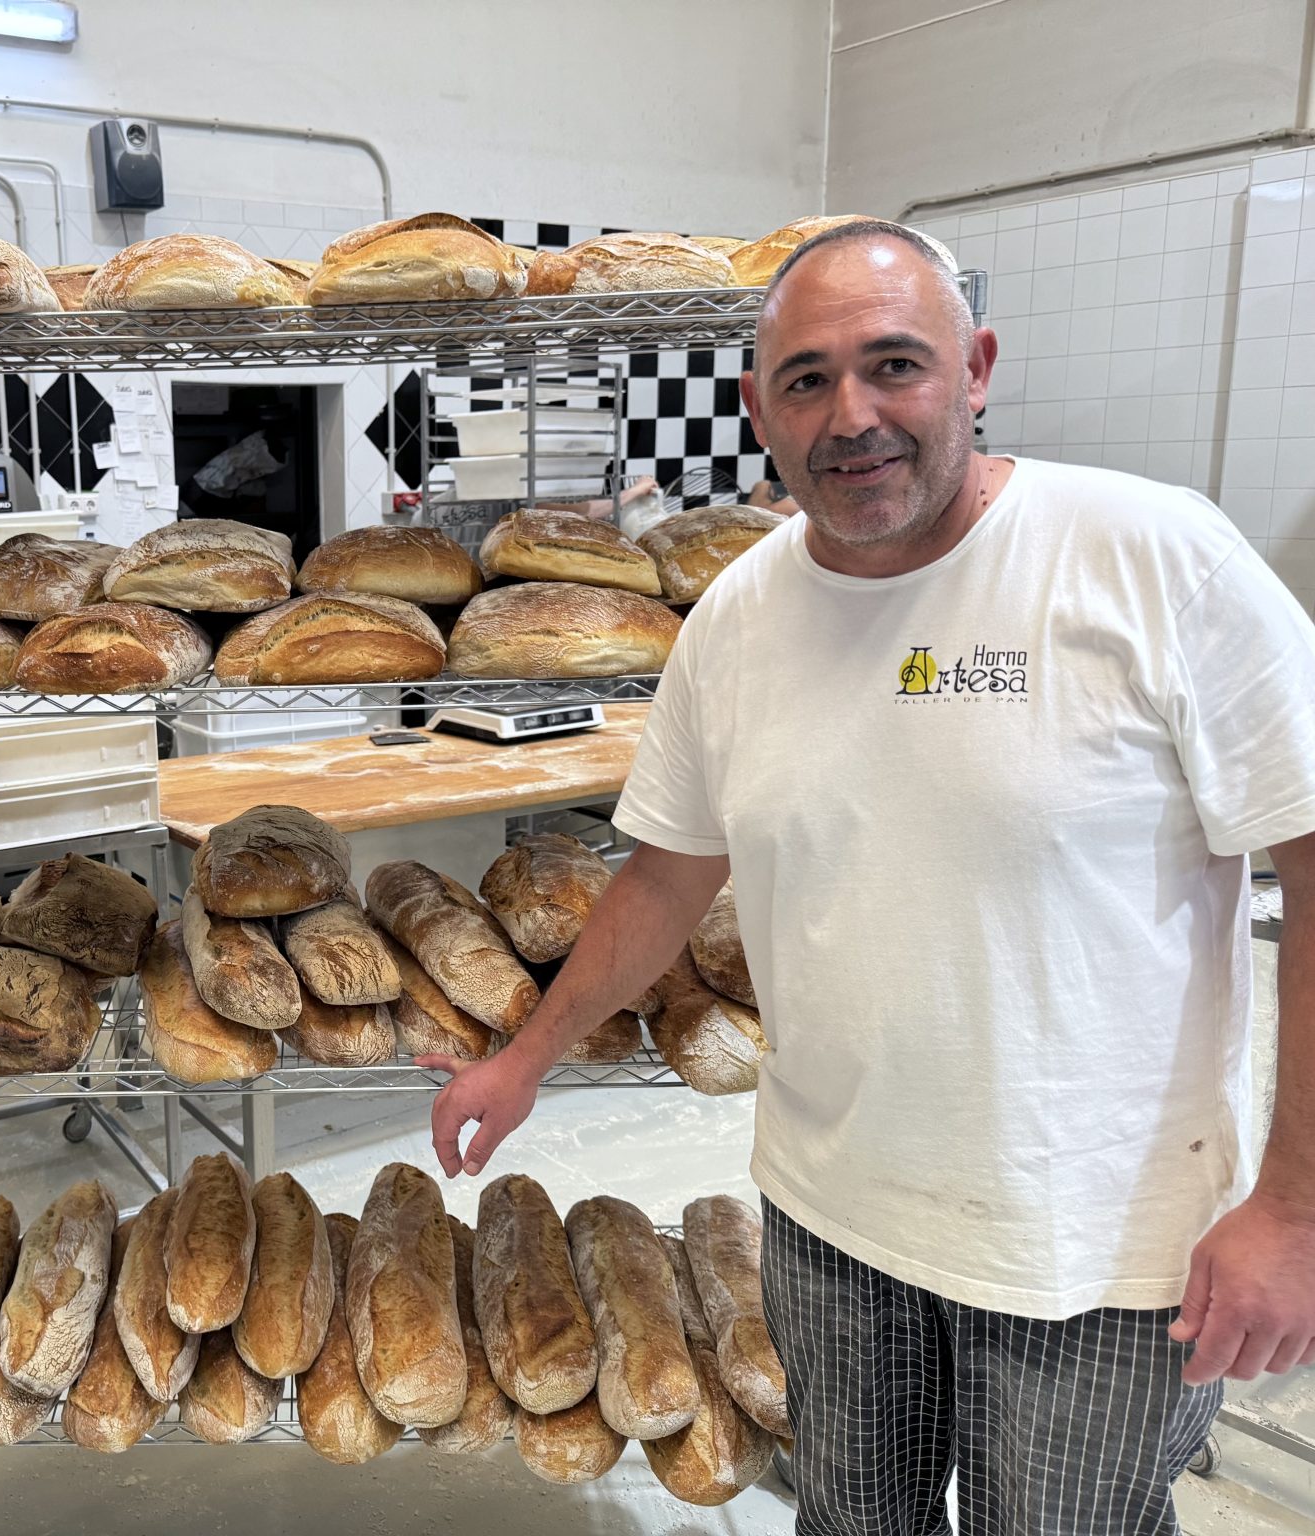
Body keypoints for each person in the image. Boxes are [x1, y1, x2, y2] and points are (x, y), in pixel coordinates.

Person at [420, 222, 1315, 1534]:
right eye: (808, 380)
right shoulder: (737, 616)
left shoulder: (1148, 555)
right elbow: (667, 876)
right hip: (833, 1224)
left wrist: (1291, 1208)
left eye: (895, 365)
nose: (854, 417)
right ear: (759, 409)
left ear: (977, 367)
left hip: (1095, 1252)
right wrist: (527, 1055)